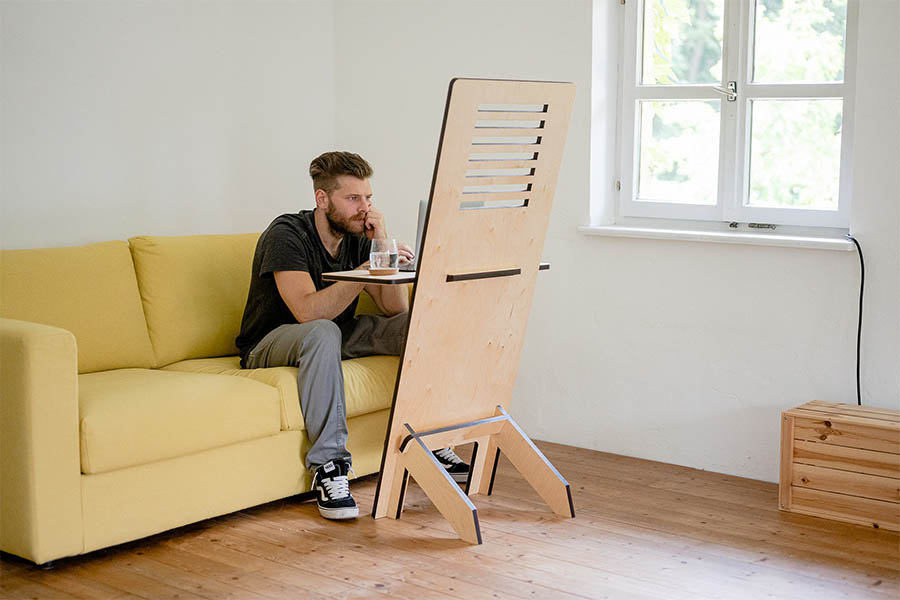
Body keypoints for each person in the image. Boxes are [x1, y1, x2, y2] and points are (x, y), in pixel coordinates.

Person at [236, 151, 468, 520]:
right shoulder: (287, 234)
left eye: (368, 198)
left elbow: (396, 311)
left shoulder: (359, 236)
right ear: (322, 199)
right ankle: (330, 467)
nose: (365, 208)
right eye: (353, 198)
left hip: (336, 334)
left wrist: (383, 249)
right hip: (272, 340)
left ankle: (432, 437)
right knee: (322, 331)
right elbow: (307, 314)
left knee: (419, 326)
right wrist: (362, 272)